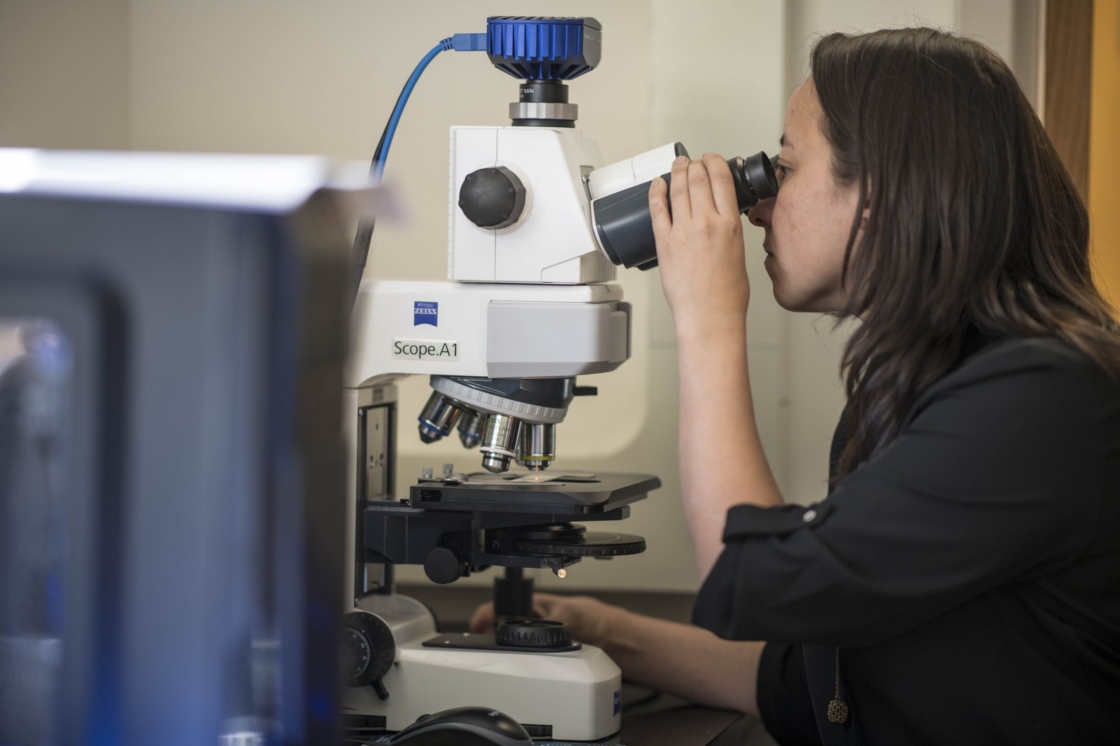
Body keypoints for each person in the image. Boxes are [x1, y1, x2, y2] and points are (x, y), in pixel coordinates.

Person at [472, 27, 1120, 745]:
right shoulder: (936, 386)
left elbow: (761, 586)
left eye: (782, 169)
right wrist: (606, 634)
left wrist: (710, 315)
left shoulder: (1040, 400)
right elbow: (820, 673)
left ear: (879, 193)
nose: (757, 206)